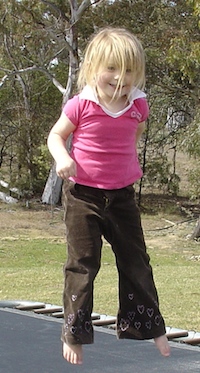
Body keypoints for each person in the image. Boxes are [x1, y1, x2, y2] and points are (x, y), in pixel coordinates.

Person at [47, 27, 171, 365]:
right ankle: (74, 333)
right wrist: (64, 158)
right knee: (84, 264)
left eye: (129, 70)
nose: (120, 78)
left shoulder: (138, 105)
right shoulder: (81, 104)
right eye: (112, 69)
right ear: (93, 68)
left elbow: (131, 136)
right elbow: (56, 136)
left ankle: (150, 326)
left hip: (122, 197)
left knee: (136, 261)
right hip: (84, 195)